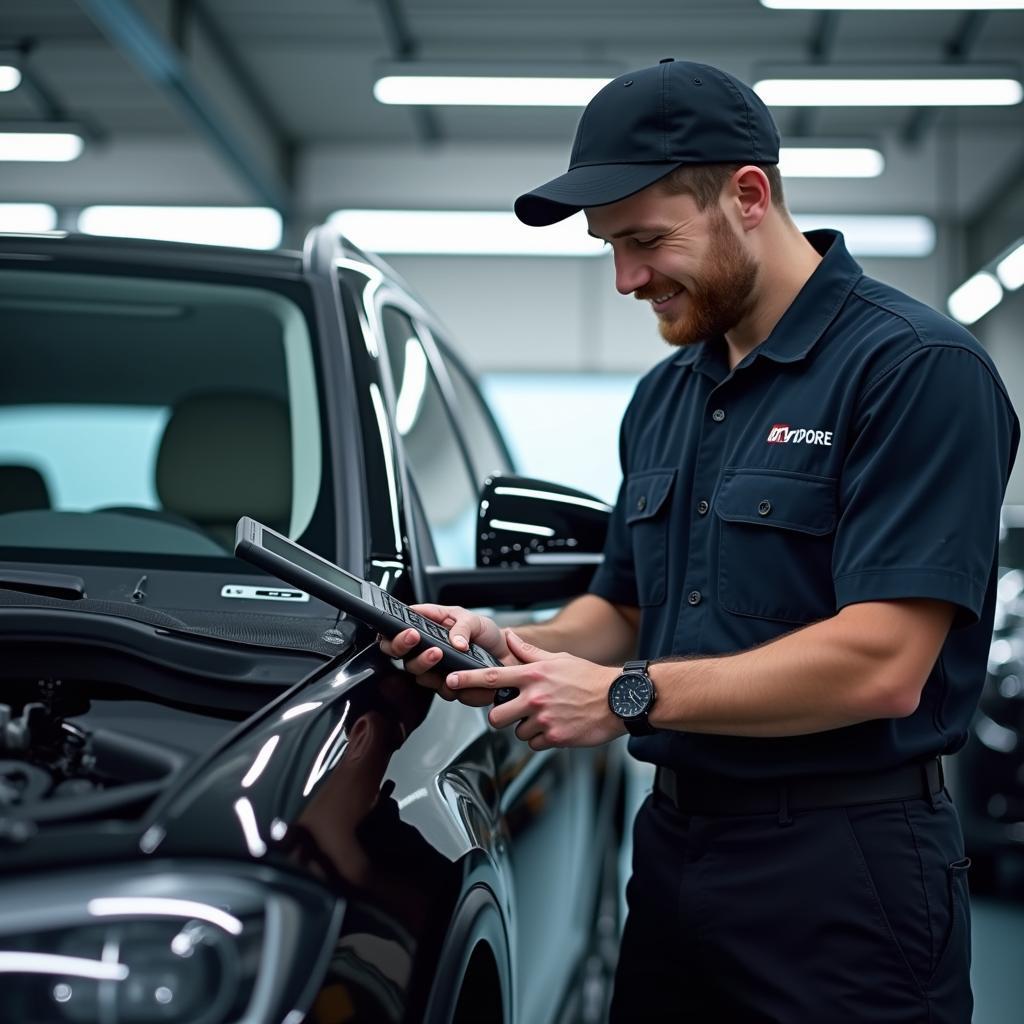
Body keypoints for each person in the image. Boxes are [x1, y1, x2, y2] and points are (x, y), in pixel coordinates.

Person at [380, 58, 1020, 1022]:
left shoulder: (915, 371)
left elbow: (885, 662)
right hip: (676, 853)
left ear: (748, 196)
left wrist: (628, 696)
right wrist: (511, 650)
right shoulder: (667, 396)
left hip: (846, 874)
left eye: (646, 240)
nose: (627, 278)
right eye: (608, 246)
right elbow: (626, 608)